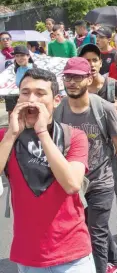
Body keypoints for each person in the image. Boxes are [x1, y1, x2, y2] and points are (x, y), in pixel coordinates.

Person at [0, 68, 95, 272]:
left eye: (41, 93)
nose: (31, 99)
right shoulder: (6, 137)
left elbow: (71, 184)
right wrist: (11, 134)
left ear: (56, 100)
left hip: (72, 253)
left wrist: (42, 133)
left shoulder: (74, 136)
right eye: (25, 93)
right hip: (27, 256)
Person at [54, 57, 117, 273]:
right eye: (68, 77)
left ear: (89, 79)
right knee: (93, 225)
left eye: (77, 77)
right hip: (74, 183)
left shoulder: (104, 108)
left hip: (101, 181)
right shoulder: (58, 110)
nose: (71, 82)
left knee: (94, 232)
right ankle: (115, 260)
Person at [79, 44, 117, 245]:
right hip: (88, 150)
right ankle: (90, 229)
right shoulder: (78, 90)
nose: (91, 64)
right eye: (86, 60)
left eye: (95, 60)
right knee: (88, 191)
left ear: (101, 62)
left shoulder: (114, 86)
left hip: (115, 147)